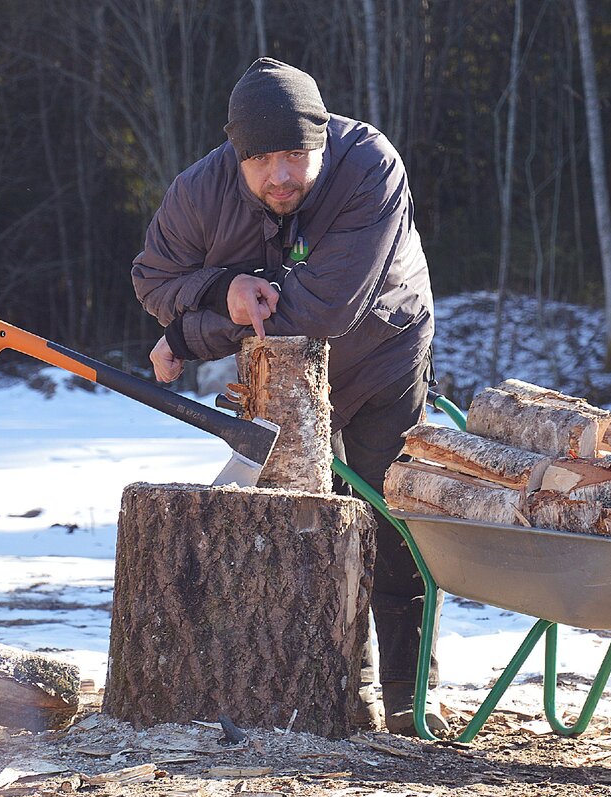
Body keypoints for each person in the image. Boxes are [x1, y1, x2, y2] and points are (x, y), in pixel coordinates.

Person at [130, 57, 444, 736]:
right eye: (261, 160)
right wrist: (223, 289)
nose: (280, 175)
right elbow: (153, 278)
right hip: (279, 381)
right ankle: (331, 690)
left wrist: (189, 334)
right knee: (300, 528)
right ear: (235, 154)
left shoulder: (369, 167)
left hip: (381, 356)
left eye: (296, 155)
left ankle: (409, 691)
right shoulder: (200, 191)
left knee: (392, 521)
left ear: (321, 139)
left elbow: (324, 309)